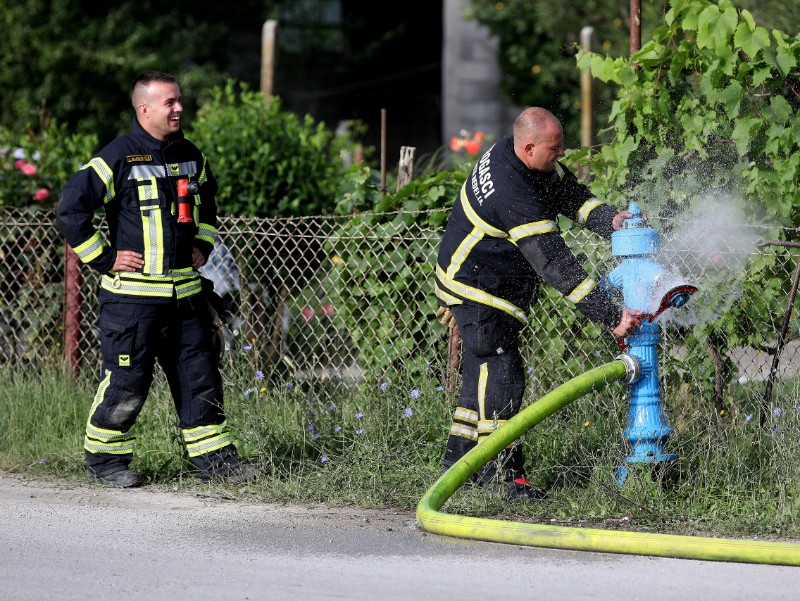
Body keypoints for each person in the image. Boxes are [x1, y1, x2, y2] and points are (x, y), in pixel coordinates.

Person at [56, 71, 257, 488]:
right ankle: (106, 463)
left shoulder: (190, 154)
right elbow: (70, 211)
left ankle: (216, 462)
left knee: (200, 377)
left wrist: (203, 243)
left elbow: (209, 205)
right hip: (131, 302)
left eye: (180, 100)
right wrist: (106, 258)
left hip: (185, 296)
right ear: (143, 109)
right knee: (128, 382)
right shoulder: (117, 156)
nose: (179, 108)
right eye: (170, 102)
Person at [434, 107, 642, 499]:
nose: (562, 154)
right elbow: (555, 263)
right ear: (529, 147)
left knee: (480, 375)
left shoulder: (525, 160)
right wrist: (610, 315)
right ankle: (500, 478)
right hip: (478, 285)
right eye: (556, 148)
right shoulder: (513, 191)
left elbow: (570, 196)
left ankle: (457, 464)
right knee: (502, 371)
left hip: (471, 277)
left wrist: (610, 219)